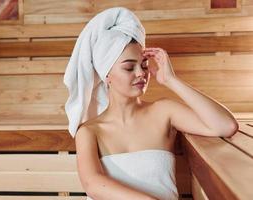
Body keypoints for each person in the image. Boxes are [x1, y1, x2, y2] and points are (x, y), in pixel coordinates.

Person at [63, 7, 239, 200]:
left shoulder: (163, 111)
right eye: (129, 67)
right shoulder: (89, 131)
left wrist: (171, 80)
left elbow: (226, 126)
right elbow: (93, 184)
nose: (141, 73)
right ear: (107, 75)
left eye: (144, 65)